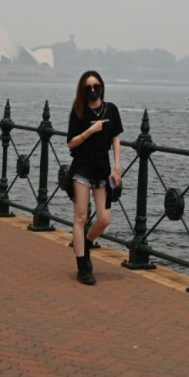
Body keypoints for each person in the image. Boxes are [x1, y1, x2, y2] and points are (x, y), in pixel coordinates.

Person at [65, 70, 123, 285]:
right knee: (80, 218)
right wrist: (90, 131)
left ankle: (87, 243)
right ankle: (82, 267)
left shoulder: (111, 110)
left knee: (104, 218)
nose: (92, 90)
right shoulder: (78, 111)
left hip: (102, 169)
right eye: (88, 87)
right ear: (82, 89)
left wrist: (117, 168)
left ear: (102, 87)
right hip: (82, 168)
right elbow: (71, 142)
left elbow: (116, 138)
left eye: (96, 86)